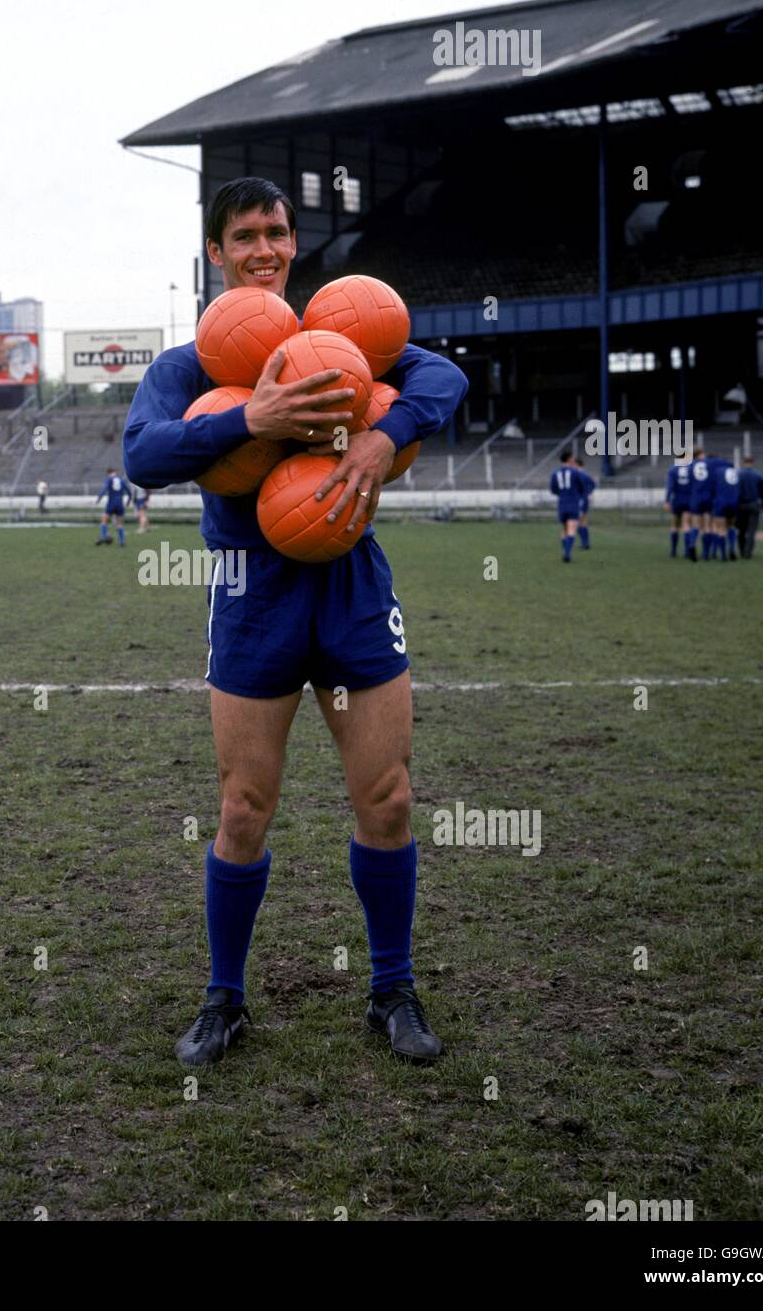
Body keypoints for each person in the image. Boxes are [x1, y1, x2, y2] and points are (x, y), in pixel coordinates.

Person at [123, 176, 468, 1066]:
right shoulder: (194, 363)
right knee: (243, 808)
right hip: (254, 589)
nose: (265, 248)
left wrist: (386, 437)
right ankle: (225, 1000)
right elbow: (142, 453)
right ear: (216, 251)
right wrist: (253, 415)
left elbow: (442, 374)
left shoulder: (339, 341)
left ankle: (391, 989)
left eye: (278, 232)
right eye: (245, 235)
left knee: (386, 797)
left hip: (349, 582)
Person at [549, 450, 584, 562]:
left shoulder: (555, 473)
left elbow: (553, 489)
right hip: (573, 502)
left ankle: (565, 551)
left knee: (564, 529)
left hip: (562, 503)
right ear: (569, 459)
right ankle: (567, 554)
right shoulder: (575, 472)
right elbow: (582, 486)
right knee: (572, 529)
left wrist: (562, 494)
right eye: (572, 458)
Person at [684, 445, 713, 563]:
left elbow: (689, 484)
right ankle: (705, 554)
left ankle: (691, 545)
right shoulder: (710, 465)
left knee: (695, 524)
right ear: (701, 453)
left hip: (696, 498)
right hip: (708, 497)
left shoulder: (690, 467)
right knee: (706, 526)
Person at [735, 455, 763, 559]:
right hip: (753, 504)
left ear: (743, 463)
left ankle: (741, 550)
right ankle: (748, 553)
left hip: (740, 505)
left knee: (741, 530)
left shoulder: (738, 475)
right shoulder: (758, 475)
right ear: (752, 463)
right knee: (751, 531)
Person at [709, 455, 740, 561]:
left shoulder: (716, 472)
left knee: (720, 528)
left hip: (720, 502)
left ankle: (722, 556)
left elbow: (712, 488)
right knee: (731, 526)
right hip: (734, 501)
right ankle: (732, 549)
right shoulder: (734, 471)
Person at [663, 454, 693, 557]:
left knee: (674, 525)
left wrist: (667, 501)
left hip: (677, 500)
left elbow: (670, 487)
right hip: (689, 500)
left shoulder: (672, 470)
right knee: (686, 525)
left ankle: (673, 551)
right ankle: (687, 552)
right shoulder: (692, 469)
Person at [95, 468, 131, 546]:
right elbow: (129, 492)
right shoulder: (121, 480)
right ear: (115, 472)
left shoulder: (109, 479)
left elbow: (104, 489)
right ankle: (121, 542)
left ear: (108, 473)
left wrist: (99, 499)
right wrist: (128, 501)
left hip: (111, 504)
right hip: (120, 504)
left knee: (104, 520)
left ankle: (104, 536)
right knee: (120, 523)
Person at [574, 457, 596, 549]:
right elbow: (593, 484)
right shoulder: (585, 474)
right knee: (583, 521)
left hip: (581, 500)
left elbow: (591, 485)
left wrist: (585, 494)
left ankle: (585, 543)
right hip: (584, 500)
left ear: (576, 464)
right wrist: (588, 493)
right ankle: (585, 543)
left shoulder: (579, 474)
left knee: (578, 521)